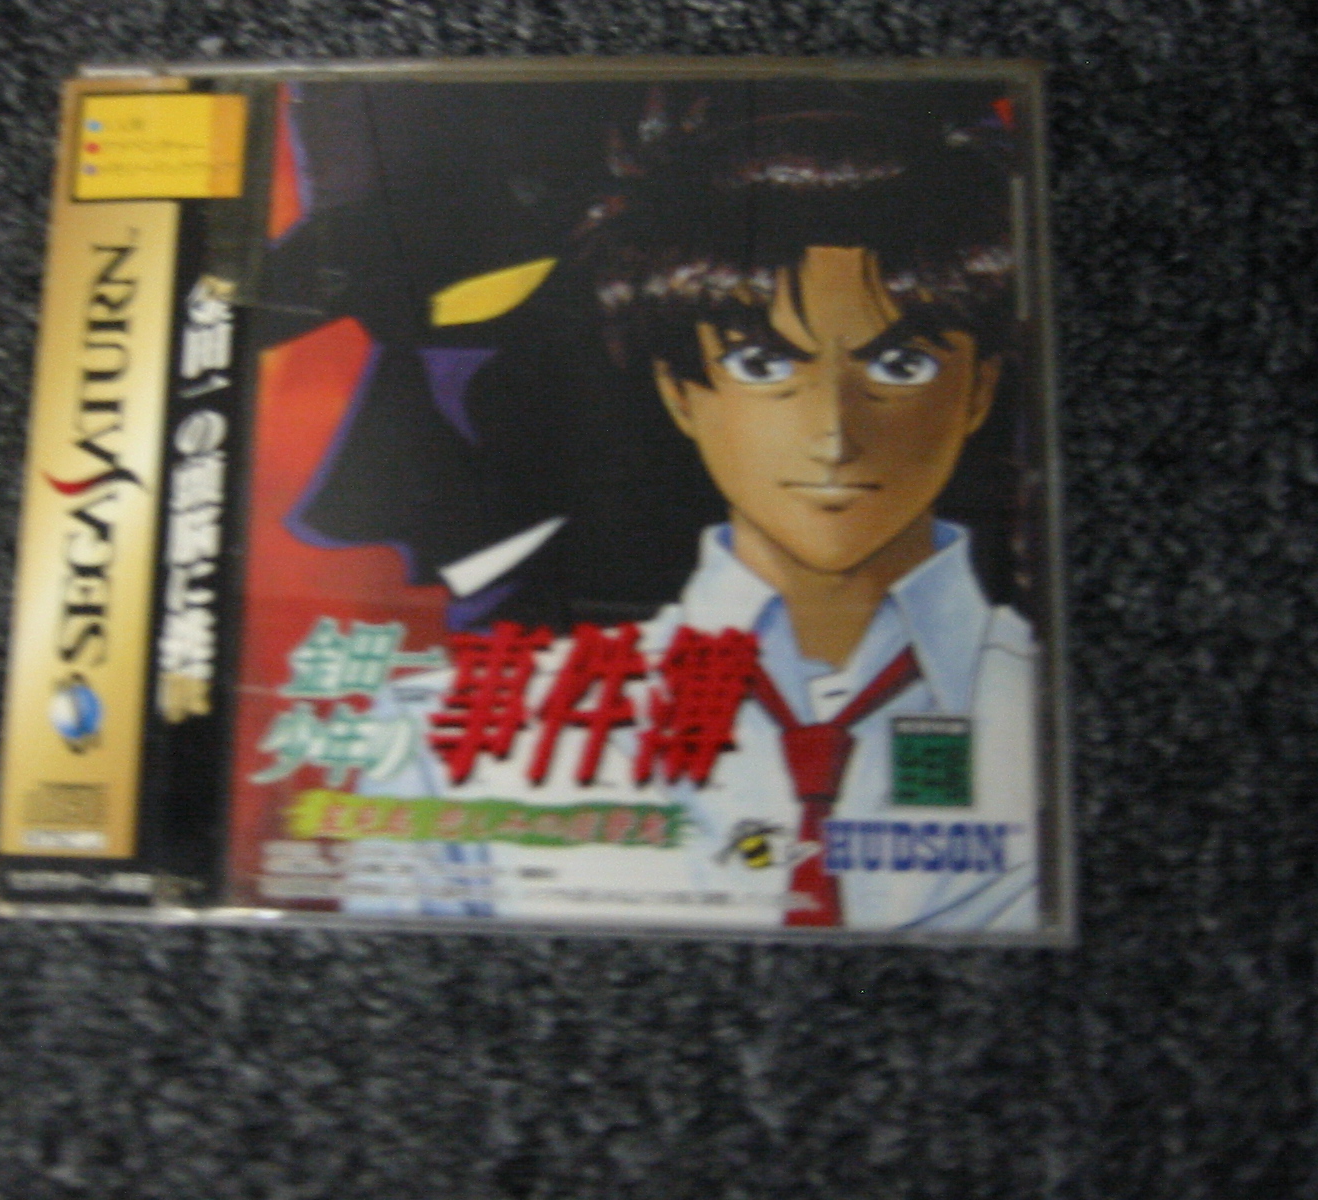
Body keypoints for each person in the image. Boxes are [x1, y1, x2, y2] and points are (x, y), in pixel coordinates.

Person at [343, 97, 1039, 931]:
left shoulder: (1062, 721)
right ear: (679, 392)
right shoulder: (446, 745)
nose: (833, 434)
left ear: (979, 390)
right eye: (762, 366)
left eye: (899, 365)